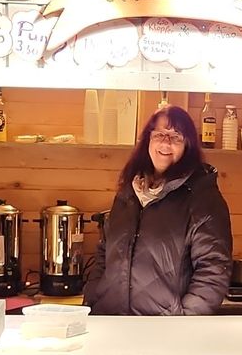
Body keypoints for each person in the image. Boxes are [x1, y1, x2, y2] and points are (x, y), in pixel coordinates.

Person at [83, 105, 233, 315]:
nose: (165, 142)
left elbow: (213, 272)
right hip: (112, 324)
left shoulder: (203, 199)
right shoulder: (128, 193)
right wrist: (93, 297)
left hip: (167, 335)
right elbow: (104, 254)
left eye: (176, 137)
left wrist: (182, 322)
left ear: (187, 146)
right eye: (160, 134)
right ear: (148, 140)